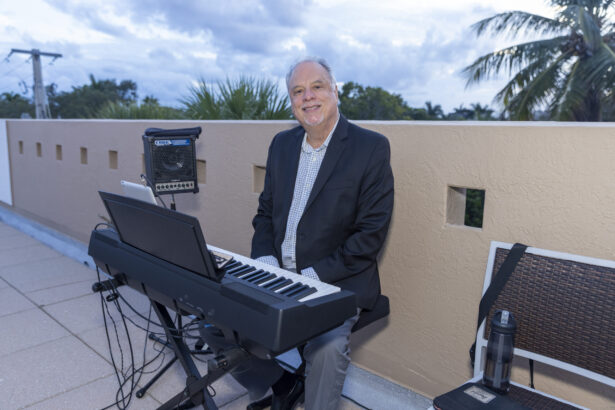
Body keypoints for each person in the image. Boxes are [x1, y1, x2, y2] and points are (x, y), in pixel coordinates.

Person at [250, 57, 394, 410]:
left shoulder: (370, 148)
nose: (308, 97)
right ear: (291, 101)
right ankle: (280, 383)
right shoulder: (281, 145)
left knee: (328, 348)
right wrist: (267, 263)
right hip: (278, 274)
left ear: (335, 91)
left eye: (317, 86)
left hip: (335, 281)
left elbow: (369, 236)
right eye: (298, 91)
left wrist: (306, 278)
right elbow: (265, 214)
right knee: (216, 318)